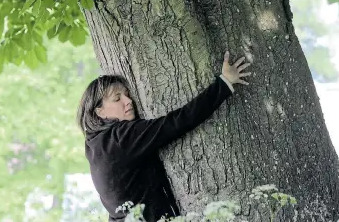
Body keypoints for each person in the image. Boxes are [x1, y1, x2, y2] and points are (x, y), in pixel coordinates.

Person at [77, 51, 251, 221]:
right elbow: (178, 122)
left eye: (127, 95)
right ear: (99, 112)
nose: (128, 101)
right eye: (117, 99)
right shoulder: (122, 138)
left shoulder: (94, 144)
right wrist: (224, 83)